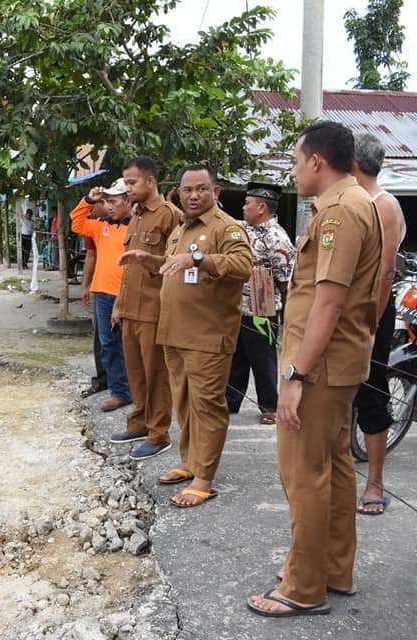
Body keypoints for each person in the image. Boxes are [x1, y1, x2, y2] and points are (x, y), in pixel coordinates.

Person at [247, 121, 383, 618]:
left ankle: (304, 587)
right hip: (337, 363)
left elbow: (328, 303)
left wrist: (295, 377)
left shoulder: (340, 213)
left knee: (304, 474)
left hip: (319, 367)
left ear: (317, 162)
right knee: (336, 468)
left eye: (295, 160)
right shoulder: (352, 203)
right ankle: (333, 569)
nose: (293, 170)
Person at [119, 164, 252, 507]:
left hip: (207, 336)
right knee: (184, 404)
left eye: (201, 189)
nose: (194, 196)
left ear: (215, 192)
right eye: (187, 190)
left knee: (207, 406)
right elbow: (173, 264)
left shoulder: (227, 227)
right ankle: (190, 462)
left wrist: (197, 259)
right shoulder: (181, 229)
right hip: (175, 333)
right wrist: (150, 259)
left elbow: (242, 266)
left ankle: (204, 478)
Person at [110, 156, 181, 460]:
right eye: (126, 182)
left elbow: (175, 263)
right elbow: (129, 269)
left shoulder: (169, 216)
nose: (128, 188)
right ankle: (139, 423)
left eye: (132, 182)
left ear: (150, 181)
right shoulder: (136, 215)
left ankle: (158, 432)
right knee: (136, 373)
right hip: (130, 308)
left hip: (154, 309)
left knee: (156, 375)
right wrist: (118, 304)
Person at [350, 133, 406, 516]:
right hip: (342, 309)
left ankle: (375, 482)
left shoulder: (382, 204)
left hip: (371, 311)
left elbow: (385, 274)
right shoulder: (348, 200)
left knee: (371, 390)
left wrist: (371, 322)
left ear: (354, 163)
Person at [226, 182, 296, 424]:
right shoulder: (242, 228)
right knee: (236, 356)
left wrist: (288, 316)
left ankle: (269, 406)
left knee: (263, 358)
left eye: (248, 204)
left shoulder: (277, 238)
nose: (243, 207)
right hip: (237, 304)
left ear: (262, 207)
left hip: (262, 307)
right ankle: (230, 401)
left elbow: (286, 280)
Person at [71, 178, 132, 412]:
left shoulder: (137, 226)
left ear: (128, 201)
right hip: (103, 293)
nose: (108, 206)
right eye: (106, 201)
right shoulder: (100, 226)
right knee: (108, 344)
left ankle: (138, 388)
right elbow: (76, 223)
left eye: (113, 201)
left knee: (133, 344)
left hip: (128, 293)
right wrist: (88, 200)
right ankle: (120, 391)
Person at [80, 206, 107, 397]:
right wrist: (86, 285)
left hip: (124, 286)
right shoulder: (93, 226)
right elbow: (91, 256)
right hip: (101, 286)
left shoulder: (130, 222)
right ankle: (104, 379)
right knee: (101, 336)